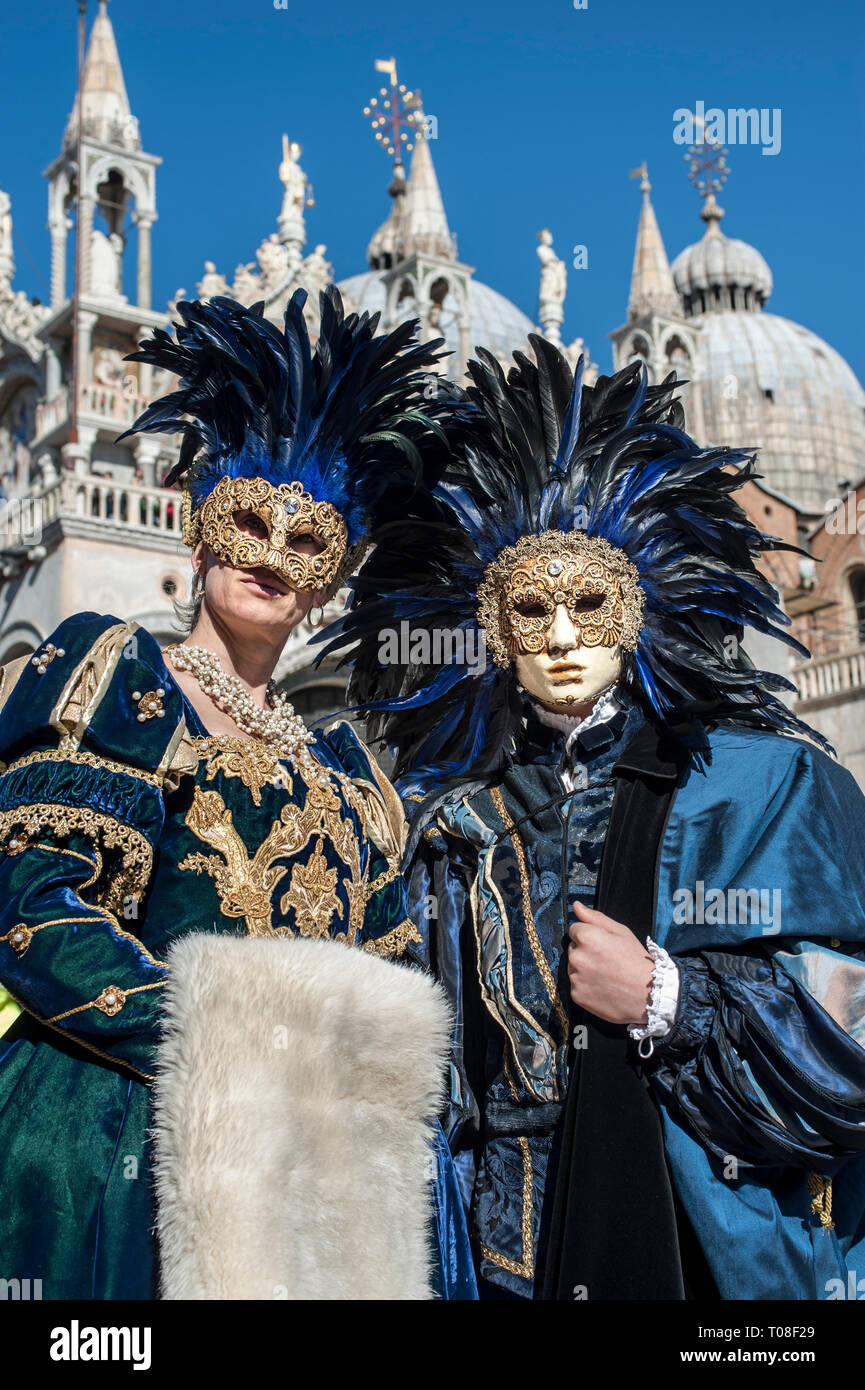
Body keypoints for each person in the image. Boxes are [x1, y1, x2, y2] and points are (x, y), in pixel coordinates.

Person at [319, 338, 865, 1300]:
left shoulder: (759, 784)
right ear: (489, 629)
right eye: (530, 610)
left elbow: (847, 1040)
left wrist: (670, 999)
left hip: (699, 1246)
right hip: (498, 1261)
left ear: (642, 602)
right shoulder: (453, 825)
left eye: (589, 600)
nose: (563, 638)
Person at [0, 287, 474, 1300]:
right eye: (250, 519)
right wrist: (231, 1043)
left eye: (308, 541)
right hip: (124, 1146)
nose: (272, 557)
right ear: (198, 528)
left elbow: (390, 978)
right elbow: (36, 914)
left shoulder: (351, 776)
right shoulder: (121, 676)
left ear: (332, 577)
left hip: (313, 1181)